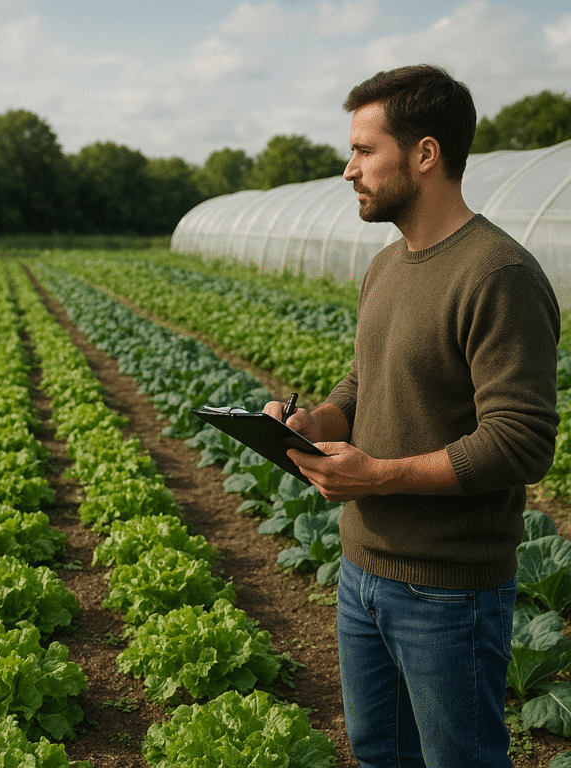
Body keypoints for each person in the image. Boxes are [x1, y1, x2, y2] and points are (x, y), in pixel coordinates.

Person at [264, 64, 560, 768]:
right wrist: (317, 423)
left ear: (425, 154)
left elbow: (521, 442)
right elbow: (364, 382)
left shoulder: (498, 274)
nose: (349, 170)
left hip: (448, 593)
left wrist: (379, 476)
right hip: (362, 570)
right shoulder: (387, 266)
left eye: (364, 151)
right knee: (379, 755)